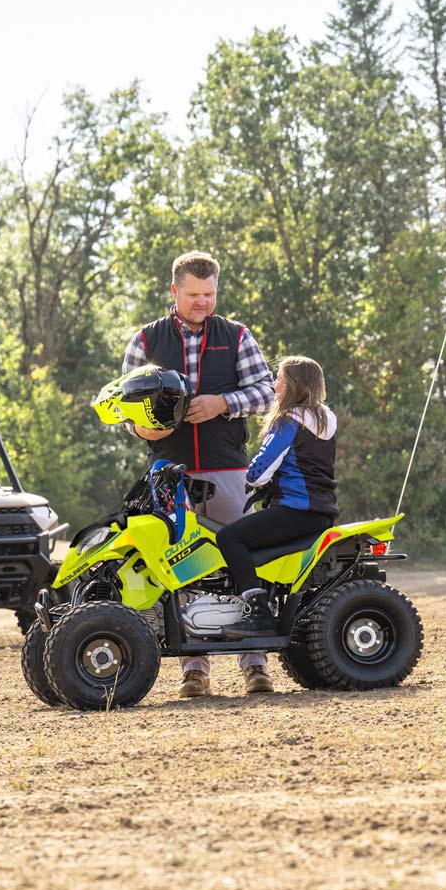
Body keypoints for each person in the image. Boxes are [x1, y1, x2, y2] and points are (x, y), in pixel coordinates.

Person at [122, 250, 278, 697]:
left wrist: (222, 403)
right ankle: (194, 671)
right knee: (180, 567)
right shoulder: (145, 340)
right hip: (168, 471)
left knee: (245, 563)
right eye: (193, 295)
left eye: (209, 294)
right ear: (174, 290)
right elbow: (125, 407)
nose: (203, 303)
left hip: (229, 467)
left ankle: (255, 665)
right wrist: (140, 427)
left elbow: (267, 393)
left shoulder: (238, 335)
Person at [220, 356, 339, 639]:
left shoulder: (288, 420)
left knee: (229, 538)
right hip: (322, 514)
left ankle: (259, 612)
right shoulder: (326, 419)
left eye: (280, 380)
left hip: (295, 511)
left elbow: (258, 474)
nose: (275, 386)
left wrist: (251, 478)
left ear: (294, 386)